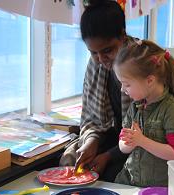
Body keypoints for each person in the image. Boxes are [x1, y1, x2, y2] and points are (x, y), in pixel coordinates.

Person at [59, 0, 135, 182]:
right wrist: (92, 141)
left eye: (107, 50)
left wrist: (109, 155)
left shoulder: (141, 62)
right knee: (69, 161)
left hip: (145, 143)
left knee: (112, 174)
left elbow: (150, 129)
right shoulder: (95, 65)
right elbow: (92, 119)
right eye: (93, 52)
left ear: (122, 36)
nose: (101, 59)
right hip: (111, 139)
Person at [113, 40, 174, 187]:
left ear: (150, 80)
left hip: (161, 187)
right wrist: (128, 143)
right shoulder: (135, 107)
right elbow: (122, 145)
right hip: (130, 182)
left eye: (127, 84)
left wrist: (141, 141)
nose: (122, 89)